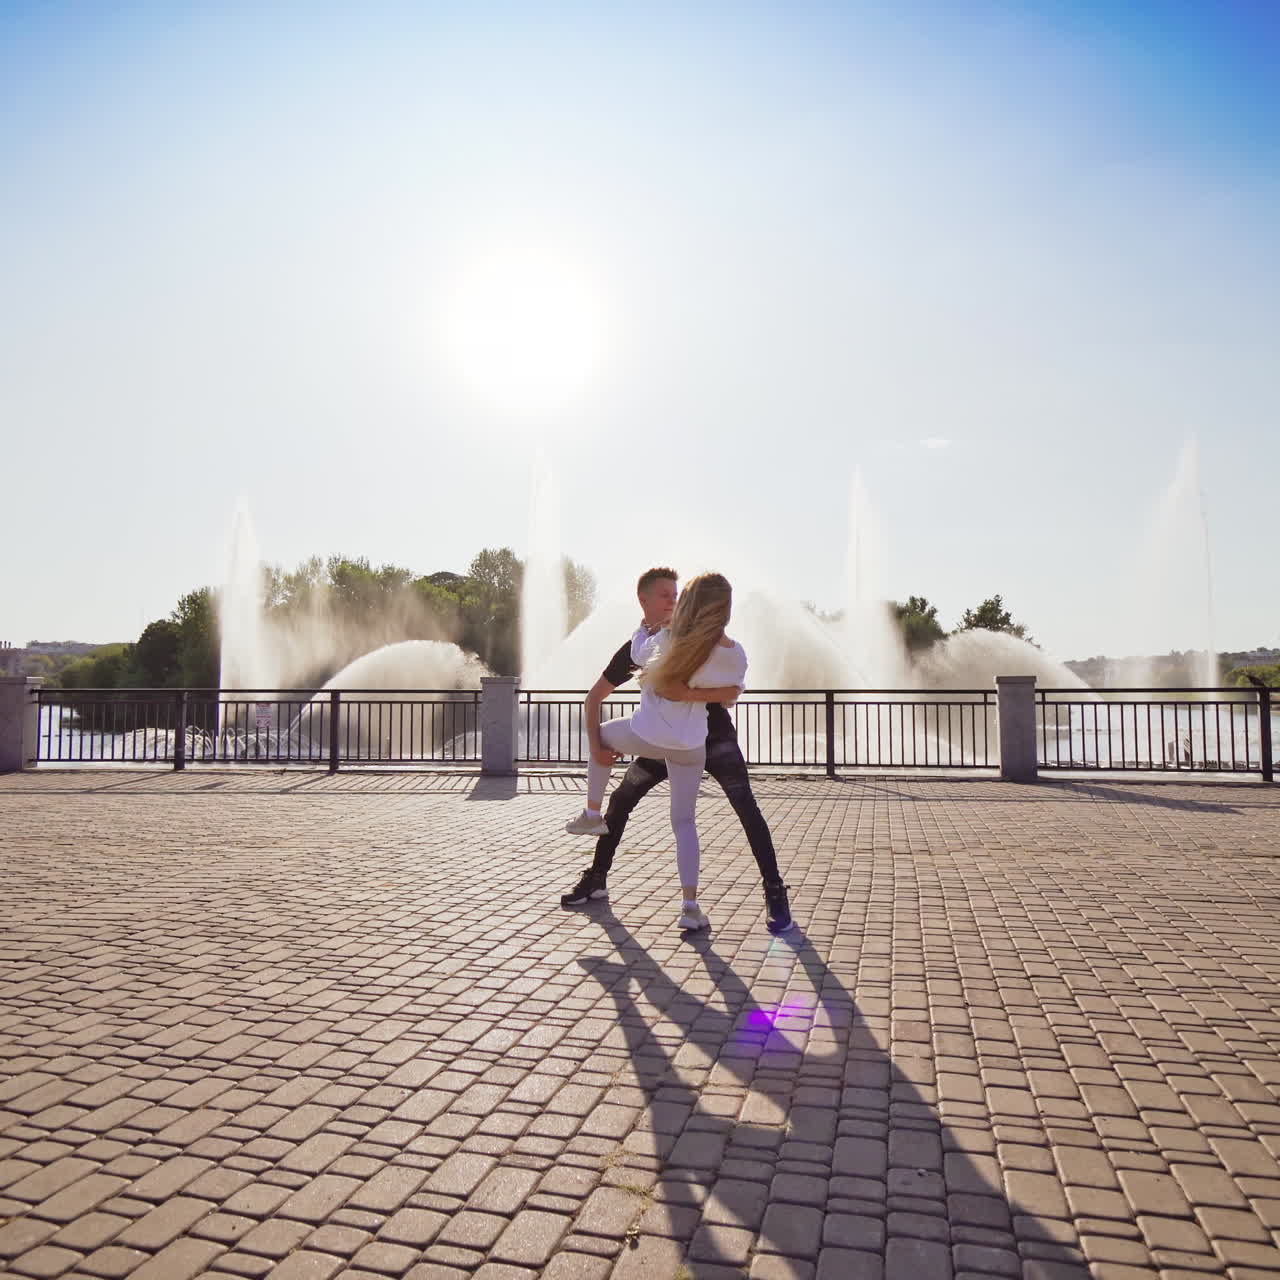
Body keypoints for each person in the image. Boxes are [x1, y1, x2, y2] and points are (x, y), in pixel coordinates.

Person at [561, 568, 794, 934]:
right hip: (666, 740)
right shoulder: (647, 643)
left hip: (713, 739)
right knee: (622, 798)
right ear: (645, 601)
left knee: (745, 805)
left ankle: (775, 891)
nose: (672, 601)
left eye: (676, 595)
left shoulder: (684, 638)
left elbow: (728, 689)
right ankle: (597, 878)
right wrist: (599, 746)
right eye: (665, 595)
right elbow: (596, 695)